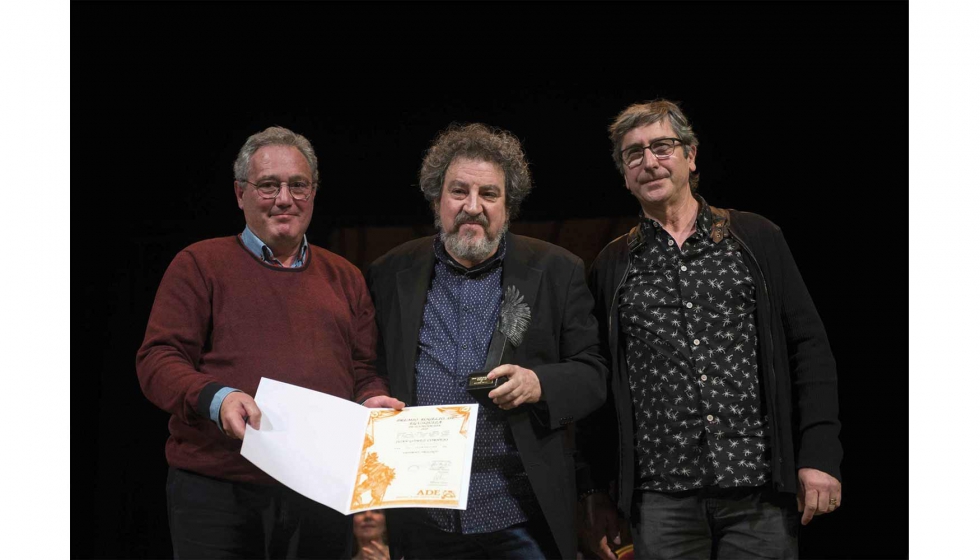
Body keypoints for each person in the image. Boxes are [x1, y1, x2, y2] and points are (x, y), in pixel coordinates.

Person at [577, 100, 843, 560]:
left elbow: (809, 349)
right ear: (624, 173)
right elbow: (597, 383)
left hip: (758, 488)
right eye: (634, 154)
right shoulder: (612, 266)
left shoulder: (755, 238)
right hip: (660, 497)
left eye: (662, 146)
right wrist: (598, 490)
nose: (649, 162)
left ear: (691, 156)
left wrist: (819, 454)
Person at [136, 126, 404, 559]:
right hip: (219, 490)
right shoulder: (199, 264)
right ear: (240, 193)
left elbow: (364, 370)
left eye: (298, 186)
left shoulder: (346, 277)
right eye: (268, 186)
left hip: (319, 490)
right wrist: (217, 399)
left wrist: (372, 399)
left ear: (314, 193)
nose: (284, 198)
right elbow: (157, 360)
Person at [366, 123, 608, 559]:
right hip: (423, 518)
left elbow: (593, 372)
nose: (472, 207)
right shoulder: (389, 273)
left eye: (489, 195)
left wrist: (540, 383)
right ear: (437, 198)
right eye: (459, 191)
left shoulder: (557, 270)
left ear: (508, 206)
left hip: (519, 515)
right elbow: (371, 365)